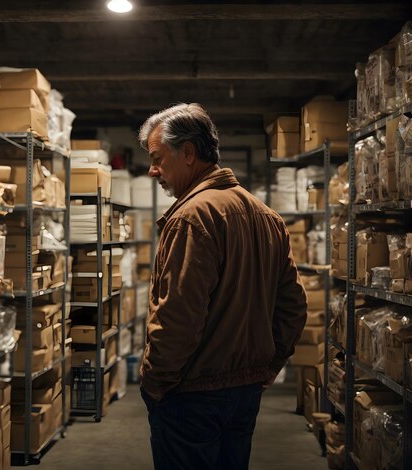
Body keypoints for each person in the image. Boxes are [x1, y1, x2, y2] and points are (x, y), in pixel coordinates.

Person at [137, 103, 307, 470]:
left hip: (191, 394)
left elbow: (178, 317)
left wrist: (155, 382)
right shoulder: (267, 217)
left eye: (157, 158)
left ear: (188, 153)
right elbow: (293, 307)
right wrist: (267, 367)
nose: (153, 171)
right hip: (243, 394)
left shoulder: (190, 218)